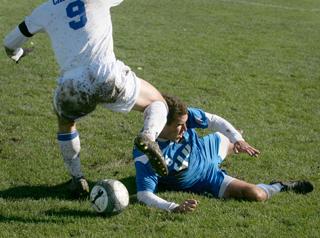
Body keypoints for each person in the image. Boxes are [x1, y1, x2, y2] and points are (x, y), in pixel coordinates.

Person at [3, 0, 169, 197]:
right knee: (156, 102)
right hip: (107, 75)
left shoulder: (45, 9)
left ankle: (77, 178)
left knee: (66, 122)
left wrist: (17, 53)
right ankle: (149, 136)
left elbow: (9, 43)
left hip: (73, 85)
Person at [133, 95, 314, 213]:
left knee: (233, 136)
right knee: (256, 194)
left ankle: (230, 142)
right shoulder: (146, 152)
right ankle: (280, 186)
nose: (186, 128)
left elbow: (213, 120)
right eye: (180, 125)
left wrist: (237, 139)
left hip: (206, 149)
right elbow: (144, 195)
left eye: (187, 123)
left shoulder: (185, 117)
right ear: (162, 124)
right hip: (206, 178)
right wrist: (173, 207)